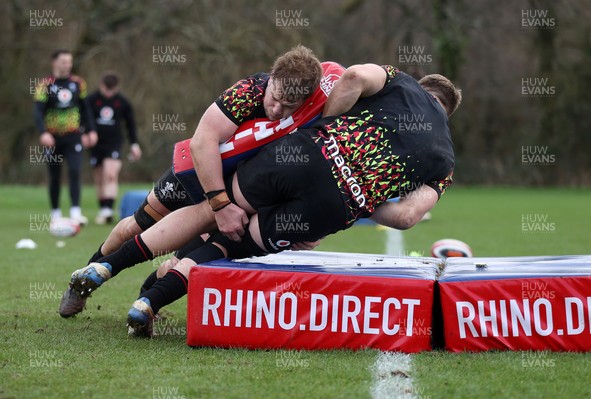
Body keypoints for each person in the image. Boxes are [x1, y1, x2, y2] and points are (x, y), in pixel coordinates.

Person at [70, 63, 462, 337]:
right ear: (449, 115)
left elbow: (355, 76)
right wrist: (355, 192)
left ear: (422, 86)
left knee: (210, 216)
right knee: (231, 242)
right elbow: (408, 216)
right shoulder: (445, 160)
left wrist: (329, 130)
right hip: (310, 200)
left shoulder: (399, 83)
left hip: (296, 157)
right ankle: (147, 301)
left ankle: (108, 270)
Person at [59, 45, 326, 317]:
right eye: (276, 98)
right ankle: (83, 281)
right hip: (196, 175)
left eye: (288, 106)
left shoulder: (312, 107)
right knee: (134, 228)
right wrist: (220, 204)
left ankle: (144, 305)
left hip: (237, 192)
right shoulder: (247, 92)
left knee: (180, 260)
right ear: (272, 77)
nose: (278, 109)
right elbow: (202, 142)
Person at [34, 49, 97, 225]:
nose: (66, 65)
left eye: (69, 61)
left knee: (75, 171)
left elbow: (86, 109)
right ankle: (55, 213)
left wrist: (90, 130)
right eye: (63, 61)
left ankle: (76, 212)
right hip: (52, 138)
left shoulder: (78, 83)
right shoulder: (44, 84)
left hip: (73, 136)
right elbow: (38, 112)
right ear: (54, 63)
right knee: (54, 175)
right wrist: (43, 132)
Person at [88, 72, 142, 224]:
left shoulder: (122, 102)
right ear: (101, 86)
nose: (109, 93)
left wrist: (134, 145)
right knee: (99, 178)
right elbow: (85, 119)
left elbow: (130, 125)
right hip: (96, 144)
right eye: (107, 90)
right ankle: (103, 209)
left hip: (114, 143)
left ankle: (108, 210)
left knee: (110, 175)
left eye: (112, 90)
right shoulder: (92, 100)